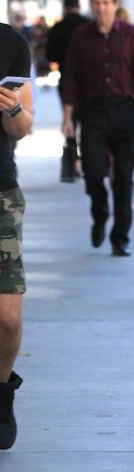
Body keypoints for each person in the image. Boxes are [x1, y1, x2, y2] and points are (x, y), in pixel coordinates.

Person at [62, 0, 134, 257]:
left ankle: (120, 237)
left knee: (123, 177)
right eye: (96, 3)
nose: (101, 8)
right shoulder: (81, 37)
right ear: (91, 4)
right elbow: (70, 77)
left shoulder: (131, 35)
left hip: (124, 112)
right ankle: (100, 213)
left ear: (115, 4)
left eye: (106, 2)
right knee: (94, 174)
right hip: (93, 112)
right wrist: (68, 117)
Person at [0, 23, 33, 450]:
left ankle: (2, 389)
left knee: (7, 315)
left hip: (0, 191)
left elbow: (24, 126)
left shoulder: (10, 44)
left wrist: (10, 110)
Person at [46, 0, 90, 108]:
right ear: (79, 6)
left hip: (66, 75)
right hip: (89, 77)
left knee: (69, 116)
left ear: (64, 8)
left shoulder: (57, 27)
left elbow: (50, 55)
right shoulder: (89, 25)